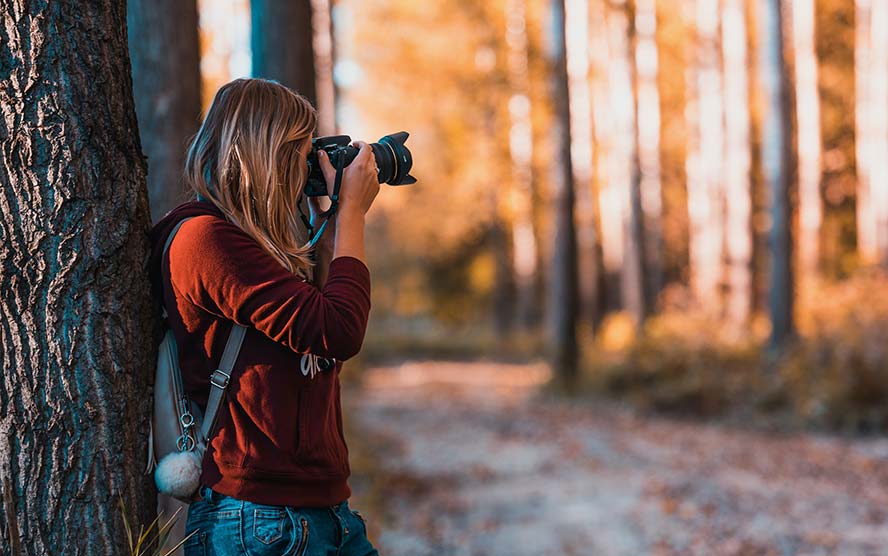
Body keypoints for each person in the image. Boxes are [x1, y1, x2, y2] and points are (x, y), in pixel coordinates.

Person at [148, 77, 380, 556]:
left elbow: (321, 320)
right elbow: (337, 330)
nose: (308, 165)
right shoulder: (205, 240)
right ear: (266, 153)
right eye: (301, 149)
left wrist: (331, 214)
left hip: (322, 512)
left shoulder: (260, 246)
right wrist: (351, 215)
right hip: (258, 519)